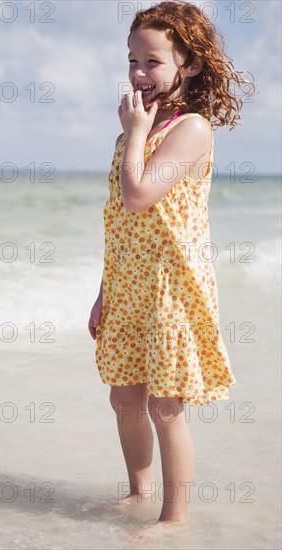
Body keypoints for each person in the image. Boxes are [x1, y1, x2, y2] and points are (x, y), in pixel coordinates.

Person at [88, 0, 255, 540]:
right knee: (124, 397)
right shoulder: (129, 135)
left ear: (191, 64)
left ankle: (173, 518)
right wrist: (103, 291)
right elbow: (119, 223)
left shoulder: (193, 130)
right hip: (130, 282)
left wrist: (134, 132)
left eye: (153, 62)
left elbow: (139, 196)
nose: (138, 73)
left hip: (171, 287)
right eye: (132, 60)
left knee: (165, 406)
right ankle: (139, 491)